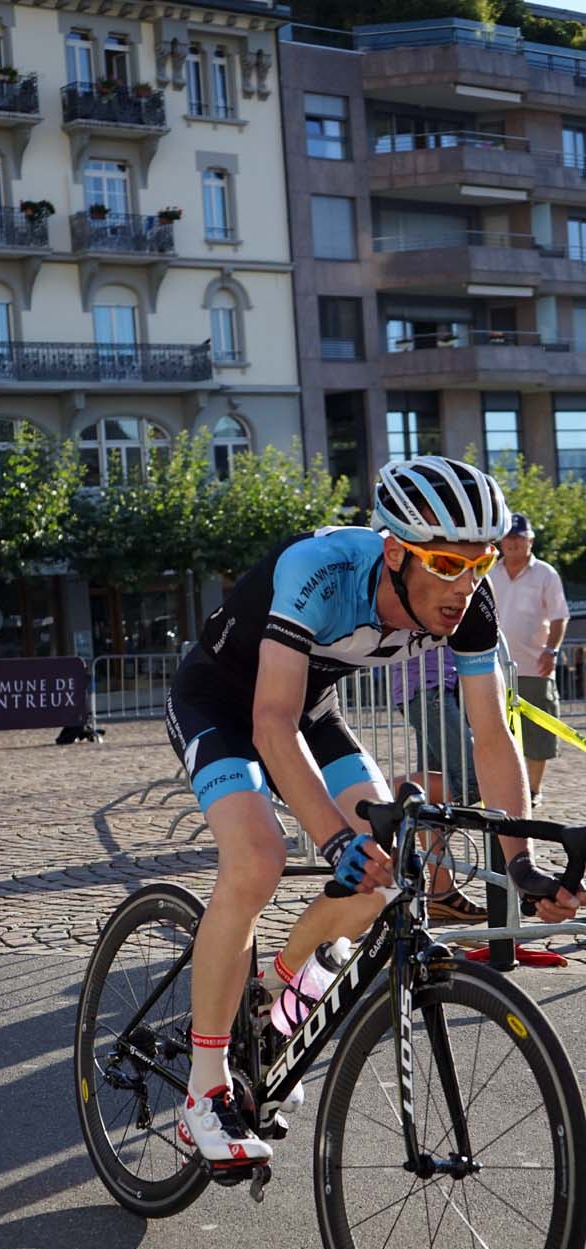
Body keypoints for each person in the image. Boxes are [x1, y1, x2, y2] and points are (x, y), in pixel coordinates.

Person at [165, 456, 586, 1166]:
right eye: (446, 564)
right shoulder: (320, 571)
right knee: (259, 858)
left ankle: (274, 990)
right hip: (222, 705)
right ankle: (203, 1093)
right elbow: (270, 723)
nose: (465, 584)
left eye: (480, 562)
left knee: (390, 872)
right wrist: (335, 842)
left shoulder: (469, 604)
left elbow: (491, 735)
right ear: (395, 552)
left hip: (312, 710)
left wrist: (521, 864)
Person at [391, 645, 484, 923]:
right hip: (429, 686)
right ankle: (367, 793)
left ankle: (443, 889)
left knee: (434, 803)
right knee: (470, 784)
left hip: (434, 685)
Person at [491, 513, 570, 809]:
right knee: (497, 733)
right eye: (508, 537)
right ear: (500, 541)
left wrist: (551, 651)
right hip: (493, 669)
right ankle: (506, 789)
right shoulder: (489, 571)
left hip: (535, 667)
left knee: (538, 735)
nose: (512, 543)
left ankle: (533, 790)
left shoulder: (546, 574)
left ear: (531, 541)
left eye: (519, 537)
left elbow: (560, 617)